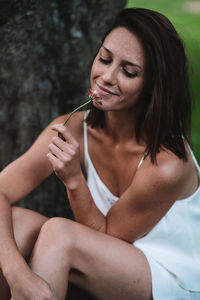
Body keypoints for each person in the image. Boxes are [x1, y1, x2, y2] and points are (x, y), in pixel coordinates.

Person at [0, 7, 200, 300]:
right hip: (109, 256)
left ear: (153, 88)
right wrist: (16, 273)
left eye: (128, 72)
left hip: (172, 276)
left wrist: (73, 180)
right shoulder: (74, 128)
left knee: (58, 233)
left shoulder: (167, 164)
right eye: (104, 59)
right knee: (15, 224)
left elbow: (108, 238)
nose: (106, 77)